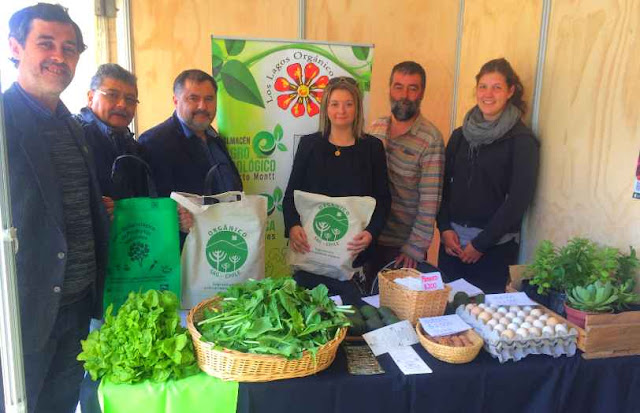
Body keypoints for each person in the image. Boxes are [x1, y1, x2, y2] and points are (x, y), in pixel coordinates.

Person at [2, 4, 109, 412]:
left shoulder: (72, 125)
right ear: (15, 47)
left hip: (77, 306)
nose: (59, 57)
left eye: (69, 48)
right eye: (45, 44)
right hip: (24, 314)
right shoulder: (4, 120)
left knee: (62, 405)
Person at [283, 77, 391, 303]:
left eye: (348, 104)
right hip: (311, 258)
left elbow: (383, 199)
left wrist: (371, 233)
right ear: (326, 108)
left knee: (352, 318)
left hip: (353, 260)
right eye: (335, 104)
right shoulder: (309, 145)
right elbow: (291, 195)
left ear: (357, 108)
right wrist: (293, 226)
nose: (341, 110)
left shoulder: (372, 148)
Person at [436, 58, 540, 293]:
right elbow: (441, 187)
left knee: (481, 313)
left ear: (510, 91)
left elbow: (518, 200)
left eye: (497, 87)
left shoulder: (522, 141)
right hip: (452, 246)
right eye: (483, 86)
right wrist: (444, 229)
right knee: (444, 310)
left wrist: (481, 244)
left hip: (492, 251)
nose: (488, 94)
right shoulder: (460, 136)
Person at [368, 61, 445, 284]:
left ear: (422, 93)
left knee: (398, 303)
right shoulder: (375, 128)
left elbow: (430, 200)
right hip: (370, 237)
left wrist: (414, 247)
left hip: (402, 248)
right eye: (398, 86)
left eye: (413, 88)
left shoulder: (430, 138)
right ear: (389, 89)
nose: (404, 95)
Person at [138, 69, 242, 197]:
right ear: (176, 101)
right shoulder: (154, 143)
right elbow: (156, 200)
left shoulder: (215, 139)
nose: (202, 106)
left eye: (209, 99)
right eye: (193, 98)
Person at [75, 63, 147, 209]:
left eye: (130, 99)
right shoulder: (73, 136)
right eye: (112, 95)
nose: (122, 105)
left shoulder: (134, 148)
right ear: (90, 97)